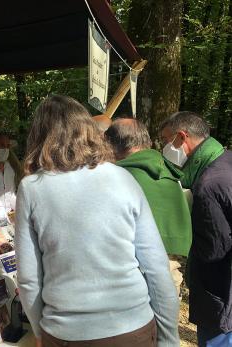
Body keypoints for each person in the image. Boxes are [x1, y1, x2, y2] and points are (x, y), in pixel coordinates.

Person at [16, 95, 179, 347]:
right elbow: (156, 267)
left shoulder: (32, 188)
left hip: (66, 333)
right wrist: (169, 339)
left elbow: (28, 279)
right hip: (132, 328)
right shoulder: (123, 178)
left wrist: (40, 331)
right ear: (88, 131)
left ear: (39, 136)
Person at [160, 112, 232, 346]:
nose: (164, 147)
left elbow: (213, 249)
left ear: (182, 137)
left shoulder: (207, 185)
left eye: (165, 140)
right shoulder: (226, 160)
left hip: (219, 293)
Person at [105, 118, 192, 295]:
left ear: (111, 145)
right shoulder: (168, 171)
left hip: (133, 271)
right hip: (169, 269)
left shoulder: (118, 175)